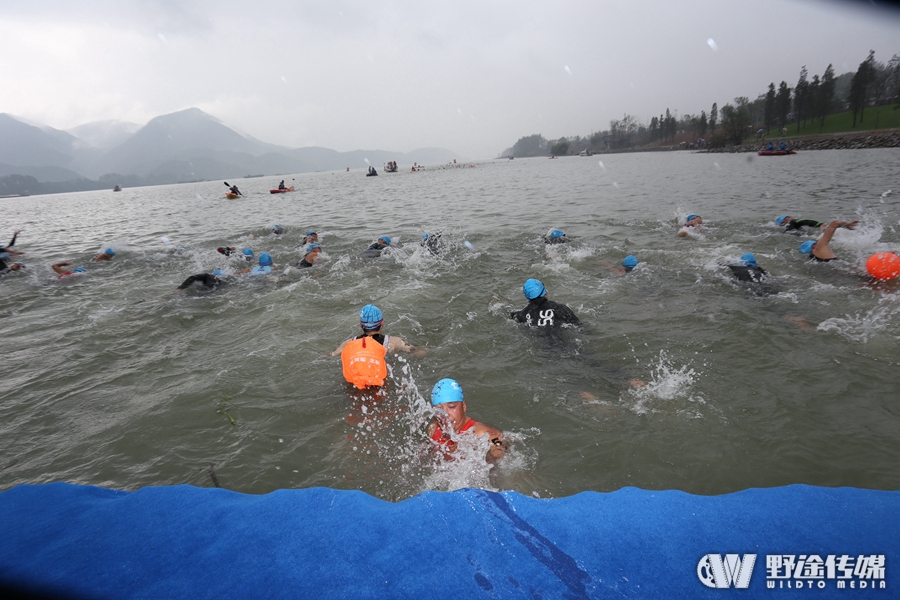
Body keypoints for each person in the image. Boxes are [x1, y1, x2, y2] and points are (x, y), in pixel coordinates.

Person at [332, 304, 420, 390]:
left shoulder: (349, 343)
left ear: (360, 324)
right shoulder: (394, 341)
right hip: (380, 382)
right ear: (382, 323)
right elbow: (416, 351)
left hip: (355, 383)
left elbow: (332, 354)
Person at [427, 378, 505, 461]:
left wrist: (492, 451)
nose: (445, 415)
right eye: (439, 409)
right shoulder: (433, 429)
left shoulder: (482, 434)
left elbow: (502, 453)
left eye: (452, 407)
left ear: (464, 406)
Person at [510, 278, 580, 328]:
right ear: (545, 293)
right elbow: (579, 325)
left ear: (527, 298)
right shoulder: (561, 308)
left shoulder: (522, 314)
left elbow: (513, 317)